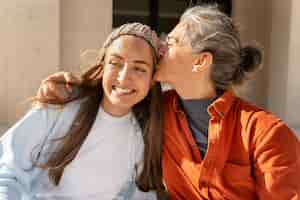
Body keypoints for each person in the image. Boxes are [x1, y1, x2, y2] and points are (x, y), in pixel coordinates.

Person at [36, 5, 300, 200]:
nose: (160, 47)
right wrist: (74, 86)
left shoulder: (266, 134)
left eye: (171, 42)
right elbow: (111, 94)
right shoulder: (155, 110)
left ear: (200, 61)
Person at [0, 22, 166, 199]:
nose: (124, 78)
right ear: (102, 66)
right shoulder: (62, 105)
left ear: (152, 79)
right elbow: (8, 169)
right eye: (115, 63)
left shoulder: (141, 138)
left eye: (139, 68)